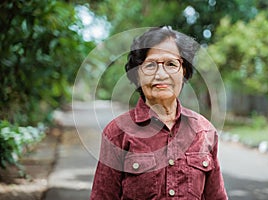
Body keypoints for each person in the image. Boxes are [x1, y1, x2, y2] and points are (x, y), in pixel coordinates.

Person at [90, 26, 228, 200]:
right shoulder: (117, 133)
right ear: (138, 74)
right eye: (150, 65)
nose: (161, 74)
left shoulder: (204, 131)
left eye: (171, 64)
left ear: (183, 71)